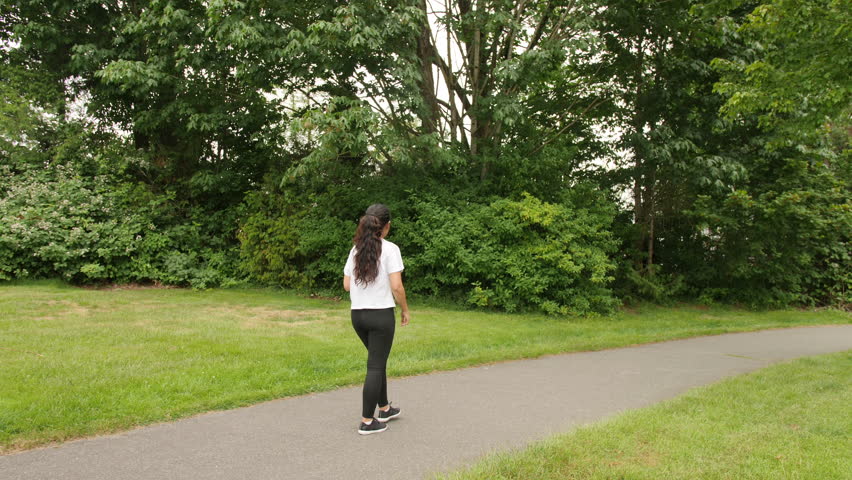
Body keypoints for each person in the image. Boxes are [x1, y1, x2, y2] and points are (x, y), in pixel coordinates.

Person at [343, 204, 411, 435]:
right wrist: (405, 310)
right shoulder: (390, 249)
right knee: (375, 365)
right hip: (380, 315)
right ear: (387, 225)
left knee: (377, 361)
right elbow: (397, 287)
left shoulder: (355, 250)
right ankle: (367, 421)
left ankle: (384, 409)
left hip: (357, 315)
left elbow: (346, 285)